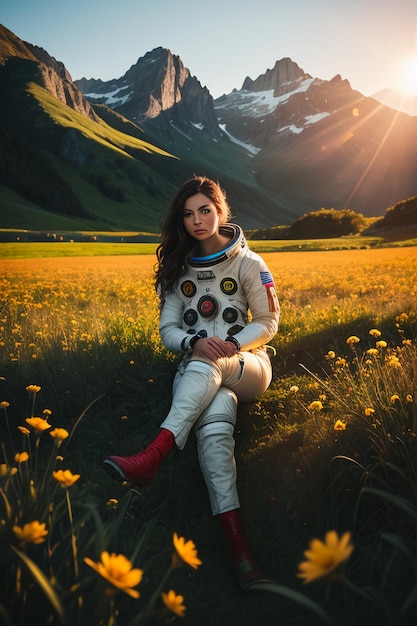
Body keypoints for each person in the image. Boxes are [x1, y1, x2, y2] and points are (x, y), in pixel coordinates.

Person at [104, 176, 279, 591]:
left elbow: (269, 322)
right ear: (180, 221)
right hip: (201, 369)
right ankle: (239, 550)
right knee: (215, 426)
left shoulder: (250, 264)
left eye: (204, 210)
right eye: (187, 214)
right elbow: (168, 332)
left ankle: (155, 453)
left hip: (249, 365)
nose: (197, 220)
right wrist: (197, 341)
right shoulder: (178, 270)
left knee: (211, 365)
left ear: (220, 211)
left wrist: (230, 343)